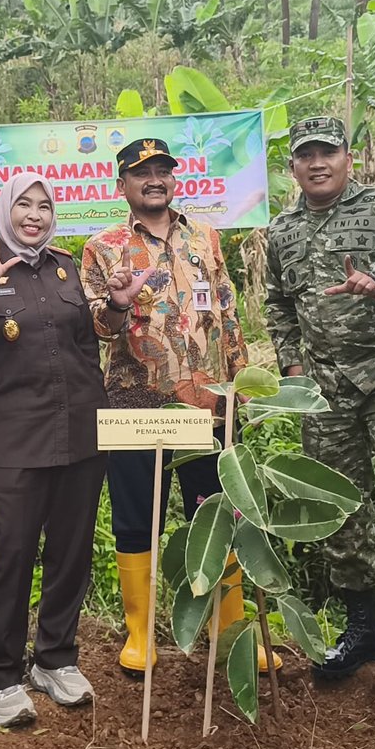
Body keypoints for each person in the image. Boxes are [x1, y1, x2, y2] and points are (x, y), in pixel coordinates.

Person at [261, 117, 375, 698]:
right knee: (337, 507)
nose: (318, 163)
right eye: (306, 155)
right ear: (292, 167)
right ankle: (366, 628)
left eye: (329, 152)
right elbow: (276, 304)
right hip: (324, 389)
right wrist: (292, 366)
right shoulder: (283, 230)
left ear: (349, 157)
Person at [0, 174, 107, 728]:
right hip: (15, 436)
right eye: (23, 205)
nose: (35, 214)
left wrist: (118, 311)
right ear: (4, 211)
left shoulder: (64, 266)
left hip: (81, 429)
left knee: (72, 550)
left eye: (44, 206)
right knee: (11, 554)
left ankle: (54, 658)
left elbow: (85, 344)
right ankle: (3, 675)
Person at [81, 137, 259, 678]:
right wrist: (114, 302)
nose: (153, 179)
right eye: (142, 172)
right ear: (123, 185)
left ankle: (228, 631)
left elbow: (225, 314)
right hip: (134, 401)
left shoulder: (205, 237)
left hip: (206, 402)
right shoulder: (102, 247)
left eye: (162, 170)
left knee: (217, 512)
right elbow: (96, 326)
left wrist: (239, 386)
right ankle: (141, 633)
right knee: (138, 517)